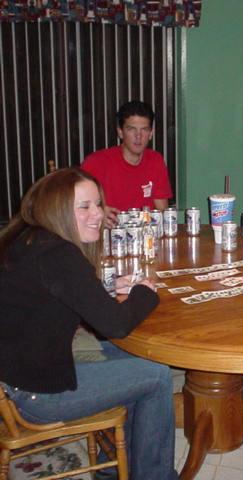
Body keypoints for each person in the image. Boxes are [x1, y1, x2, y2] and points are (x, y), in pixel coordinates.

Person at [0, 168, 178, 480]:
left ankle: (115, 468)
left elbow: (55, 294)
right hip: (37, 393)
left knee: (135, 359)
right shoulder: (58, 254)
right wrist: (145, 293)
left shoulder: (29, 238)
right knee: (158, 376)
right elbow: (115, 326)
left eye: (98, 203)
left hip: (19, 372)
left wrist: (105, 289)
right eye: (84, 206)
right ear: (55, 209)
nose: (97, 213)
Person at [82, 100, 173, 228]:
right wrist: (99, 212)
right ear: (120, 132)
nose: (138, 136)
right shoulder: (96, 162)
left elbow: (162, 212)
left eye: (144, 129)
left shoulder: (155, 160)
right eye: (131, 129)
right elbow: (75, 207)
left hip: (146, 236)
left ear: (151, 133)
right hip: (106, 235)